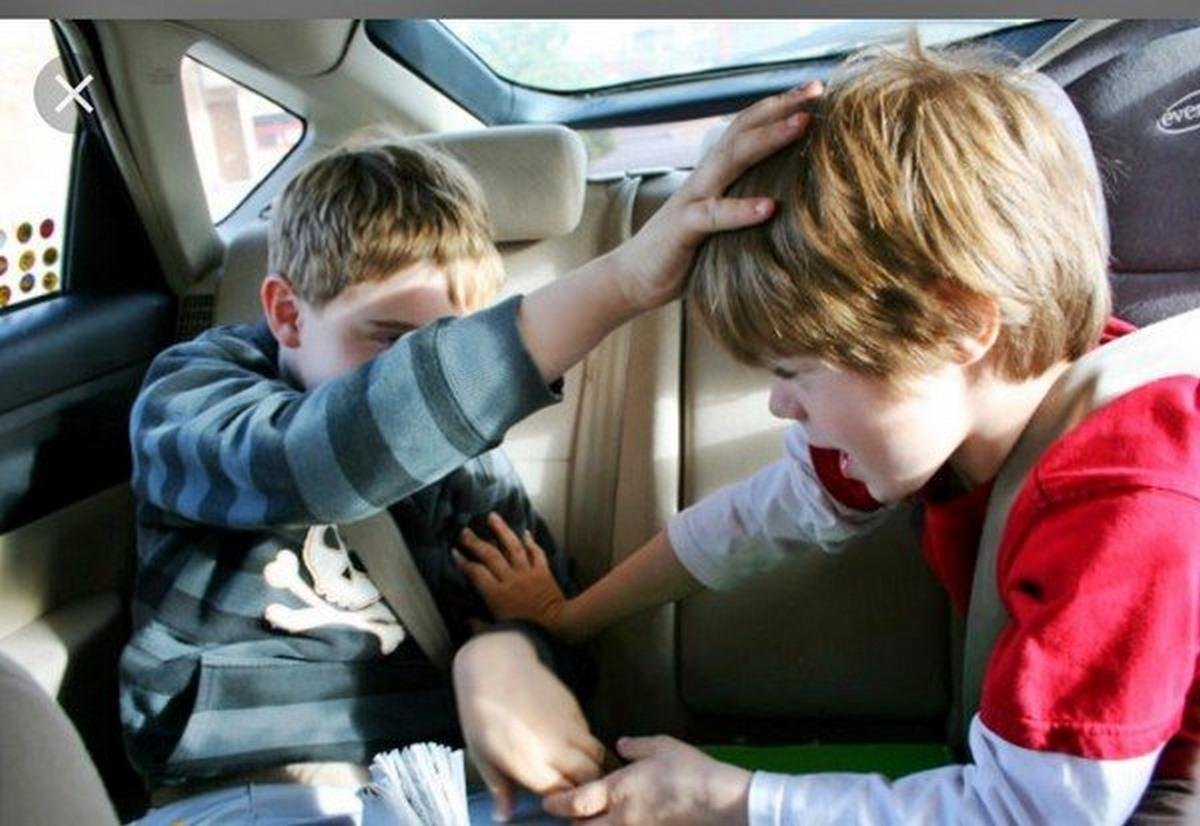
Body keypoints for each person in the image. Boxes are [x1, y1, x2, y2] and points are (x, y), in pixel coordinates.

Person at [453, 41, 1200, 825]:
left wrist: (735, 800)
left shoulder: (1124, 503)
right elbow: (752, 520)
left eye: (796, 371)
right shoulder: (944, 417)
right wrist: (569, 616)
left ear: (957, 325)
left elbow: (1038, 813)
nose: (780, 407)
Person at [120, 86, 819, 825]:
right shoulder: (194, 398)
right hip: (245, 779)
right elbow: (313, 464)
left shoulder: (467, 460)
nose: (412, 375)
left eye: (444, 347)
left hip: (443, 783)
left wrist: (518, 644)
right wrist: (613, 285)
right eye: (389, 341)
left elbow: (542, 656)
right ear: (288, 314)